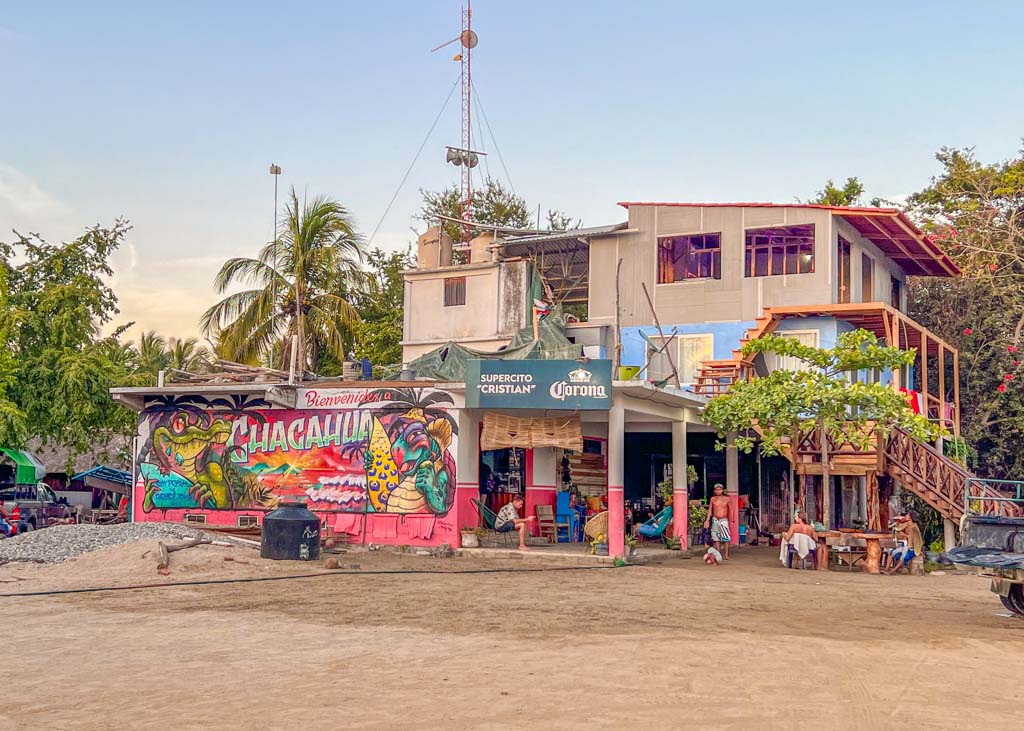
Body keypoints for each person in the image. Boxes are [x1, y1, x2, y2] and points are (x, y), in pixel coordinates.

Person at [703, 483, 732, 560]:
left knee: (726, 538)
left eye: (720, 489)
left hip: (724, 520)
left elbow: (731, 510)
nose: (718, 491)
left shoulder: (727, 499)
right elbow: (710, 510)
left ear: (722, 490)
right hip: (715, 519)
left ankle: (726, 555)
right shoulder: (713, 499)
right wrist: (707, 520)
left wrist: (732, 520)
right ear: (715, 491)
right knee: (716, 538)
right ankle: (719, 553)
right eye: (717, 490)